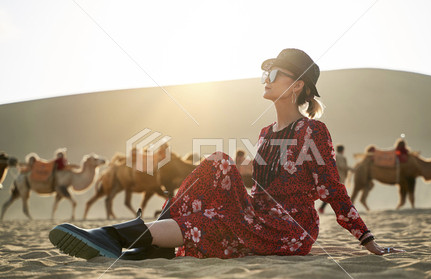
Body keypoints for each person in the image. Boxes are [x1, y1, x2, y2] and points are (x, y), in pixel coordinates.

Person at [49, 48, 404, 260]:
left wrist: (368, 241)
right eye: (264, 72)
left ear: (297, 86)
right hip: (256, 214)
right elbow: (253, 177)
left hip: (287, 229)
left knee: (214, 219)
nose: (265, 77)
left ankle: (119, 236)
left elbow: (333, 189)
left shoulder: (314, 131)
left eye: (275, 73)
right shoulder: (267, 134)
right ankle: (151, 237)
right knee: (218, 160)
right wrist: (221, 178)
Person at [318, 144, 352, 213]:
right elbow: (342, 166)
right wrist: (351, 169)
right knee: (340, 194)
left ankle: (322, 208)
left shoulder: (334, 156)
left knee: (333, 194)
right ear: (343, 150)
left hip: (336, 177)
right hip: (339, 178)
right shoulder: (340, 157)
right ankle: (344, 210)